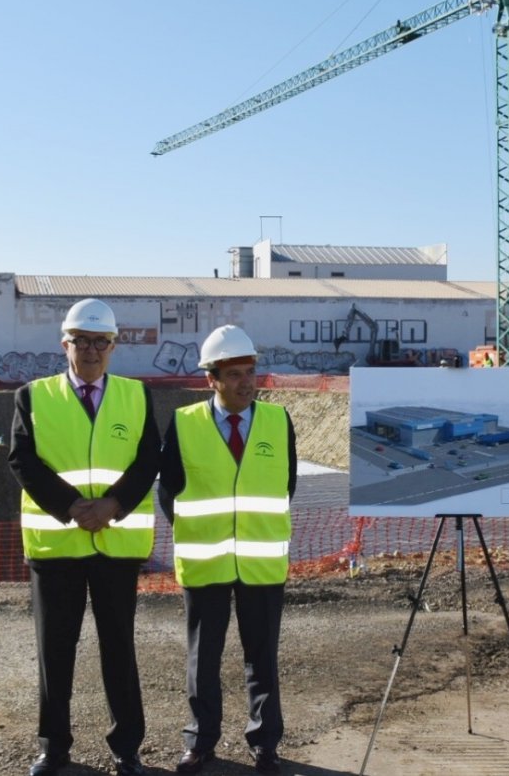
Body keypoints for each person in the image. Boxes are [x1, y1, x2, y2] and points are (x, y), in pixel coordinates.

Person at [8, 298, 160, 776]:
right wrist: (72, 507)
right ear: (65, 344)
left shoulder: (136, 395)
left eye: (101, 342)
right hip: (58, 546)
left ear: (113, 346)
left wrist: (113, 505)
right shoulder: (32, 395)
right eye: (82, 341)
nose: (91, 350)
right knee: (55, 651)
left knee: (120, 648)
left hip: (115, 546)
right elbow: (23, 460)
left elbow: (147, 459)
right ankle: (54, 748)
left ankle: (127, 747)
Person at [158, 326, 297, 775]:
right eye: (234, 374)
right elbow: (170, 493)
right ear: (211, 379)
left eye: (250, 372)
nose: (246, 382)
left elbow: (286, 485)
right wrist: (202, 533)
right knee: (204, 658)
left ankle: (265, 742)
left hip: (260, 561)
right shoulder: (183, 424)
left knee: (262, 657)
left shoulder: (279, 422)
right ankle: (201, 740)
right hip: (206, 560)